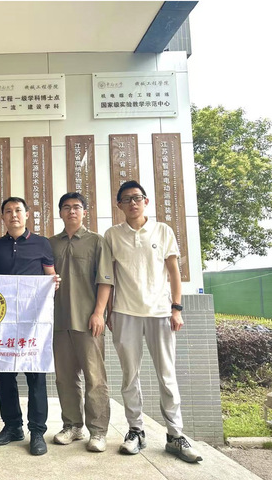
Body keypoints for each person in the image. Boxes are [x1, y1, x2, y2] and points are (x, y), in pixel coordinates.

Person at [104, 180, 203, 463]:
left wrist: (176, 308)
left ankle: (175, 435)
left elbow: (174, 272)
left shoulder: (163, 231)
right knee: (129, 376)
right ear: (119, 205)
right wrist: (109, 312)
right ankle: (136, 430)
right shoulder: (112, 235)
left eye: (137, 198)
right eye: (126, 199)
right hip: (125, 313)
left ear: (146, 201)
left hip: (160, 313)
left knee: (167, 376)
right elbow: (108, 276)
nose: (133, 203)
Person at [0, 196, 59, 456]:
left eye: (18, 210)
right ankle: (12, 427)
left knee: (35, 375)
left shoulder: (42, 243)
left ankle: (37, 431)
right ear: (2, 217)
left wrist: (54, 282)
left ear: (27, 214)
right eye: (8, 211)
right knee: (6, 376)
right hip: (3, 322)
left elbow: (50, 276)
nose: (13, 215)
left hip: (33, 322)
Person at [49, 192, 113, 453]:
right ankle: (73, 426)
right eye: (66, 207)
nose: (71, 211)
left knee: (94, 378)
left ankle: (98, 431)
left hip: (88, 321)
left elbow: (105, 280)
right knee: (65, 378)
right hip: (58, 320)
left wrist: (99, 313)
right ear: (60, 213)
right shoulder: (51, 244)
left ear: (85, 212)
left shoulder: (96, 241)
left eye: (76, 207)